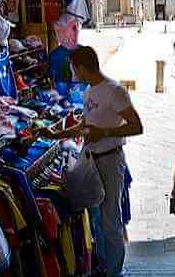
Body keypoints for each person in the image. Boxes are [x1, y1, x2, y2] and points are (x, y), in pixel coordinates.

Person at [37, 46, 143, 277]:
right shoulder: (88, 91)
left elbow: (137, 127)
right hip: (90, 159)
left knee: (110, 220)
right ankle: (102, 265)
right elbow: (86, 126)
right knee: (95, 217)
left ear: (82, 67)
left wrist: (104, 133)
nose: (72, 73)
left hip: (110, 160)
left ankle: (114, 271)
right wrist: (55, 135)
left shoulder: (114, 91)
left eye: (74, 68)